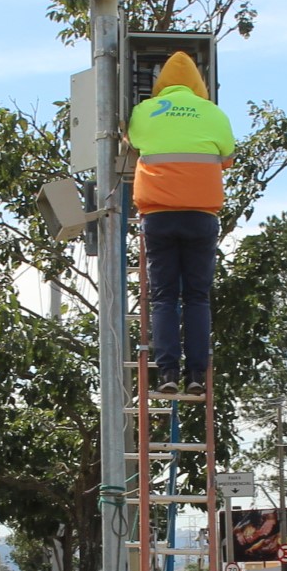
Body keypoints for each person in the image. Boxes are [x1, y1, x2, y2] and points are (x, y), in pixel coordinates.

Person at [125, 51, 234, 392]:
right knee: (198, 298)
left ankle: (168, 374)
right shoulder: (214, 113)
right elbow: (227, 158)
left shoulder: (145, 110)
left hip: (158, 214)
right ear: (199, 82)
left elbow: (133, 143)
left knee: (163, 297)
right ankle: (198, 376)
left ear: (161, 81)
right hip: (201, 214)